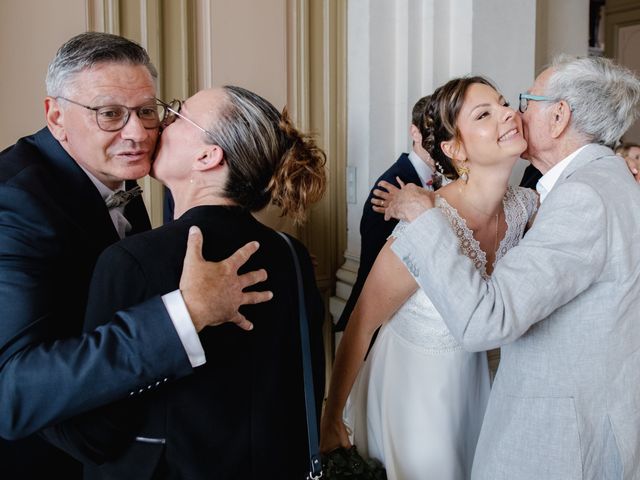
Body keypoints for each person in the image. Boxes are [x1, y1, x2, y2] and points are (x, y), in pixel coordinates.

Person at [0, 33, 271, 478]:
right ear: (56, 116)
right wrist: (184, 314)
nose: (139, 133)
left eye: (147, 111)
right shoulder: (13, 202)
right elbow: (15, 392)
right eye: (110, 114)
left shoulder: (118, 174)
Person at [44, 86, 327, 480]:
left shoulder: (130, 261)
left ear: (208, 156)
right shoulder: (291, 255)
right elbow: (303, 392)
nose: (161, 122)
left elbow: (95, 436)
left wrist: (35, 393)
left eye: (178, 115)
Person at [379, 55, 640, 479]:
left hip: (562, 443)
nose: (514, 115)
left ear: (558, 117)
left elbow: (488, 320)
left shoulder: (581, 198)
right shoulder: (608, 180)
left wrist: (427, 221)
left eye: (523, 101)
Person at [320, 76, 538, 479]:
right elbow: (362, 324)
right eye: (485, 113)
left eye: (505, 104)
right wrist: (331, 421)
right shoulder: (423, 224)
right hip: (414, 397)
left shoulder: (526, 208)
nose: (509, 113)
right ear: (456, 149)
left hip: (481, 390)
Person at [335, 95, 441, 332]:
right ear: (415, 133)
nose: (439, 139)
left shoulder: (441, 181)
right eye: (432, 130)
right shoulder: (391, 186)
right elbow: (377, 264)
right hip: (387, 317)